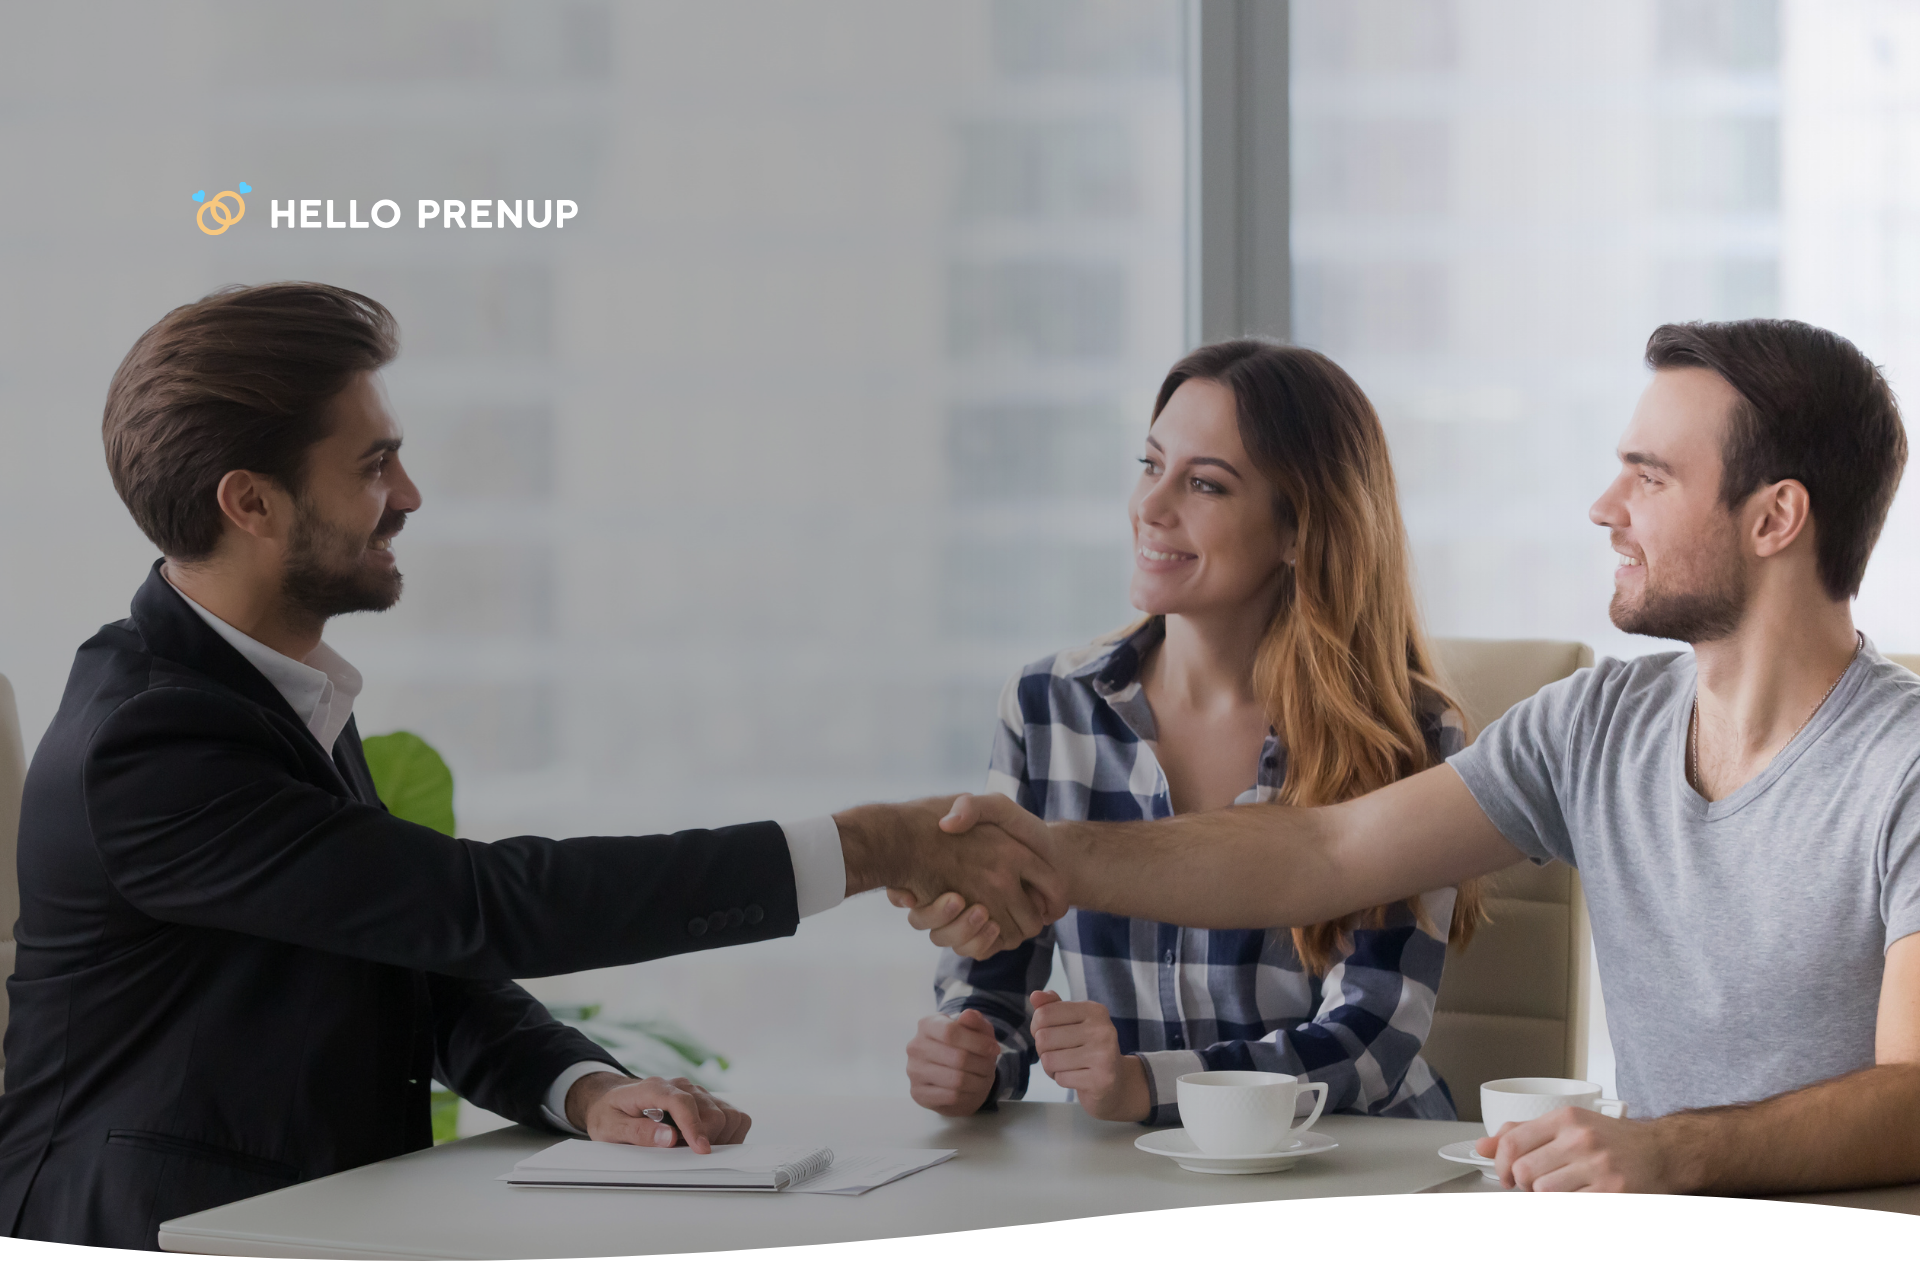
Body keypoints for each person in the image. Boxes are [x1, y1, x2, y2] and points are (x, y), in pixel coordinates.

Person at [0, 283, 1063, 1249]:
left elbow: (411, 949)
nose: (409, 492)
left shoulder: (266, 684)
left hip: (288, 1228)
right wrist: (871, 843)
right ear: (251, 502)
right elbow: (481, 905)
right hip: (145, 1243)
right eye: (372, 463)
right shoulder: (151, 741)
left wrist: (584, 1086)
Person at [914, 318, 1920, 1196]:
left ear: (1776, 516)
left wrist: (1671, 1151)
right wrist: (1046, 854)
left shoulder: (1902, 761)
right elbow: (1326, 852)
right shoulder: (1595, 724)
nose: (1605, 505)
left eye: (1649, 476)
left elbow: (1914, 1095)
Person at [902, 341, 1482, 1127]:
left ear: (1299, 530)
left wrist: (1150, 1084)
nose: (1152, 504)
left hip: (1350, 1168)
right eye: (1150, 465)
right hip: (1135, 1180)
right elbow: (992, 975)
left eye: (1204, 483)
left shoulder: (1406, 737)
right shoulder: (1047, 708)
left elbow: (1370, 1039)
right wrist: (973, 1053)